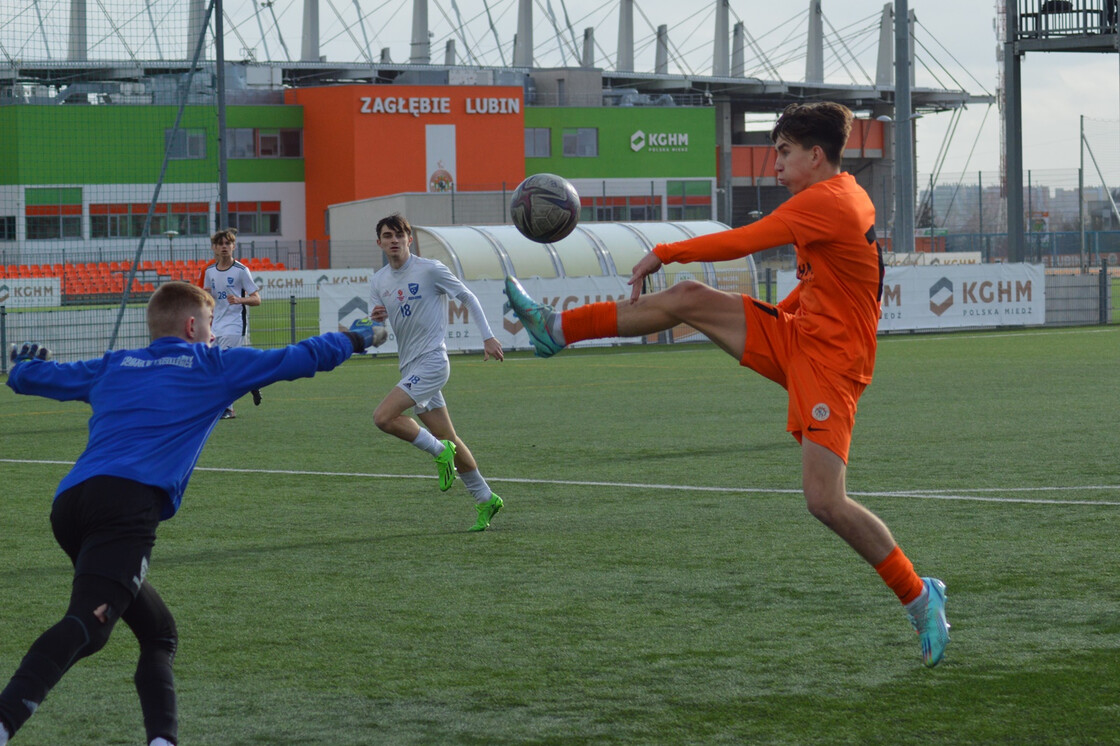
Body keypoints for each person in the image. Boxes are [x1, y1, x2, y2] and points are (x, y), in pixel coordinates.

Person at [504, 102, 950, 667]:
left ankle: (919, 595)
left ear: (816, 156)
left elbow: (743, 242)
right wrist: (772, 316)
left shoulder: (827, 201)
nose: (775, 165)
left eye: (784, 152)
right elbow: (829, 288)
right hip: (803, 337)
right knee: (690, 298)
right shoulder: (837, 198)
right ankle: (556, 328)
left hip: (832, 365)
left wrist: (663, 252)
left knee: (825, 500)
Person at [0, 282, 377, 745]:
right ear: (192, 326)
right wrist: (357, 338)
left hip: (71, 505)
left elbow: (29, 378)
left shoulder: (115, 365)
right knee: (89, 628)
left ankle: (163, 740)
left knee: (159, 634)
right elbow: (302, 357)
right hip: (126, 507)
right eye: (210, 328)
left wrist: (28, 365)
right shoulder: (212, 364)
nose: (214, 338)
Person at [369, 213, 506, 532]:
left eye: (398, 235)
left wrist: (487, 336)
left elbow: (467, 296)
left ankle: (438, 452)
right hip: (410, 365)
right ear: (379, 243)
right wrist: (376, 321)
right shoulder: (378, 281)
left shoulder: (429, 270)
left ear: (409, 239)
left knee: (383, 417)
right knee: (450, 437)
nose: (393, 240)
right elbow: (379, 335)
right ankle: (486, 498)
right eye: (387, 236)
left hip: (432, 362)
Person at [197, 228, 262, 419]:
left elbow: (257, 299)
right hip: (215, 324)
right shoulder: (209, 271)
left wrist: (240, 300)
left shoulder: (241, 271)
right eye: (220, 244)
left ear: (233, 246)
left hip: (235, 324)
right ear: (214, 248)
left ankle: (228, 408)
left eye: (228, 243)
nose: (224, 247)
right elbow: (209, 296)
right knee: (216, 363)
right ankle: (253, 382)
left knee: (224, 364)